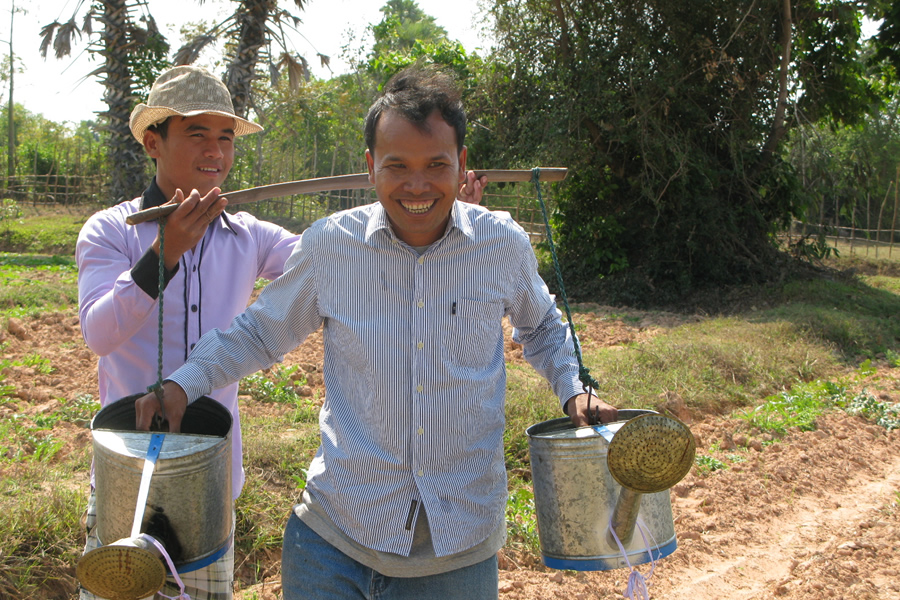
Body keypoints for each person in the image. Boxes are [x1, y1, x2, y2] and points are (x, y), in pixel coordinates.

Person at [134, 66, 616, 599]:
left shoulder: (500, 244)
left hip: (456, 549)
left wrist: (575, 387)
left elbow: (543, 326)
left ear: (461, 166)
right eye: (397, 166)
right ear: (370, 167)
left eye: (436, 165)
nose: (417, 185)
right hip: (333, 542)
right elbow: (259, 333)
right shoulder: (332, 246)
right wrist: (183, 383)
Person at [76, 64, 486, 600]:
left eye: (225, 138)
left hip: (209, 474)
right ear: (154, 141)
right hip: (127, 470)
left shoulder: (248, 236)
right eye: (197, 134)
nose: (215, 152)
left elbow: (346, 263)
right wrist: (165, 253)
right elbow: (99, 334)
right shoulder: (112, 231)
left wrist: (430, 210)